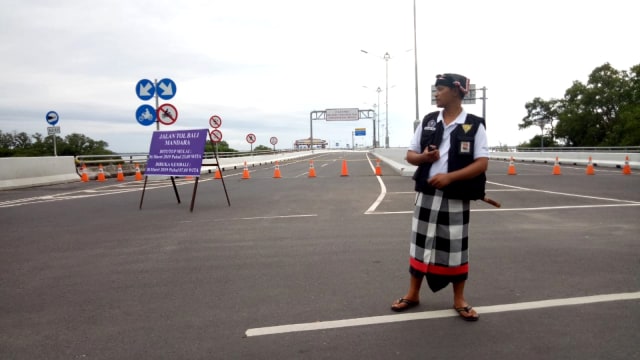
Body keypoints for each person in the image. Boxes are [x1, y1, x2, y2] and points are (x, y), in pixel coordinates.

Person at [390, 73, 489, 321]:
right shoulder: (430, 121)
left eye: (440, 89)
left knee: (455, 248)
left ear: (456, 91)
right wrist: (425, 158)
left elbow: (482, 163)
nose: (436, 94)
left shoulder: (474, 124)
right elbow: (410, 156)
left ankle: (459, 300)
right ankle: (413, 294)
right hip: (426, 194)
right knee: (420, 246)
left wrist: (450, 177)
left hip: (456, 195)